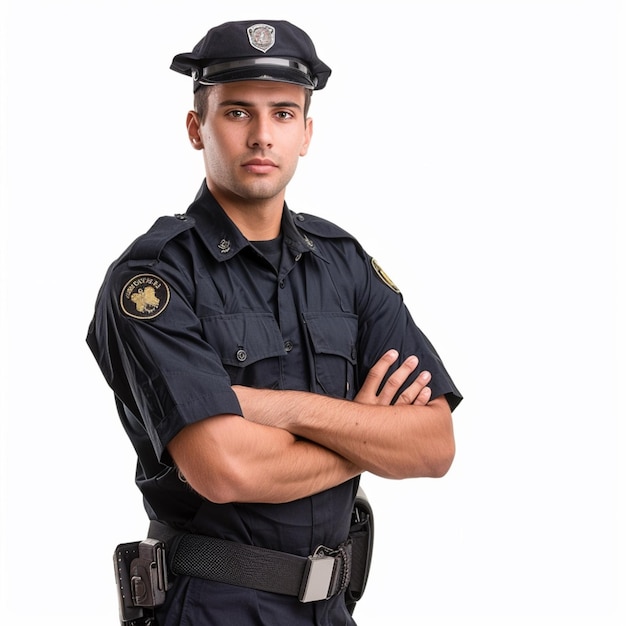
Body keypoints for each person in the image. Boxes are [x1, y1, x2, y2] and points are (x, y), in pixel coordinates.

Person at [86, 19, 462, 626]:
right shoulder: (153, 279)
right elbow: (224, 468)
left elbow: (435, 445)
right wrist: (368, 432)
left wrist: (277, 409)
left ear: (307, 132)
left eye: (283, 114)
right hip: (211, 606)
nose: (263, 135)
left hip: (332, 609)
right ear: (195, 127)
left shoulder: (345, 265)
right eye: (237, 113)